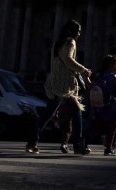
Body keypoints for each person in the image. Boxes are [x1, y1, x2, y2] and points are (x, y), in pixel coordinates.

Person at [26, 19, 92, 155]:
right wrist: (83, 69)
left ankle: (32, 142)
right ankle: (78, 146)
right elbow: (68, 59)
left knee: (48, 114)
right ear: (73, 31)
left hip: (55, 83)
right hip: (65, 85)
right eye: (78, 31)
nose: (79, 34)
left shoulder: (59, 43)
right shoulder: (70, 42)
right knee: (76, 114)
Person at [89, 54, 116, 156]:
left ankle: (83, 142)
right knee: (112, 126)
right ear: (111, 65)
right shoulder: (114, 76)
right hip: (110, 105)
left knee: (96, 126)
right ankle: (108, 149)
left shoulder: (99, 75)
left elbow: (90, 86)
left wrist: (86, 78)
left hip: (99, 105)